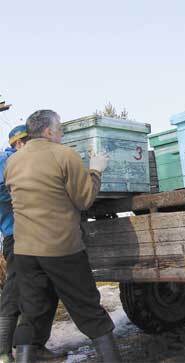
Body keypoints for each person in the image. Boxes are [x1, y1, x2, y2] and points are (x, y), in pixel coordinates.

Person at [4, 110, 121, 363]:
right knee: (89, 310)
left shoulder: (13, 161)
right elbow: (85, 199)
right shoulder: (64, 155)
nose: (62, 134)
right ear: (48, 131)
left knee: (31, 312)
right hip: (61, 249)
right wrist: (96, 170)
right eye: (59, 129)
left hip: (25, 251)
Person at [0, 125, 61, 362]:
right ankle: (3, 350)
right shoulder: (6, 161)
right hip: (18, 237)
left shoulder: (31, 162)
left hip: (41, 237)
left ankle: (35, 345)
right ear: (19, 144)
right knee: (15, 292)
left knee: (48, 289)